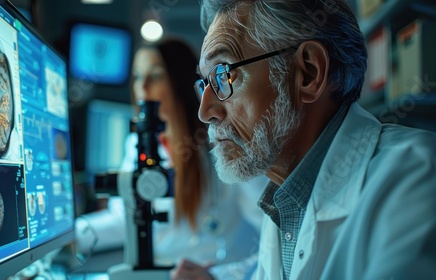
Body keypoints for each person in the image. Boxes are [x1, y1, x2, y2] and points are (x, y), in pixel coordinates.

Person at [172, 0, 436, 279]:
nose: (205, 112)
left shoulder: (415, 176)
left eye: (223, 75)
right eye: (205, 84)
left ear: (308, 73)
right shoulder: (283, 203)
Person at [75, 38, 268, 279]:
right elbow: (123, 219)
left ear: (178, 82)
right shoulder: (138, 145)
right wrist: (69, 235)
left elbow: (276, 233)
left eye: (155, 77)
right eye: (137, 77)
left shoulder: (226, 145)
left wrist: (221, 276)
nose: (142, 88)